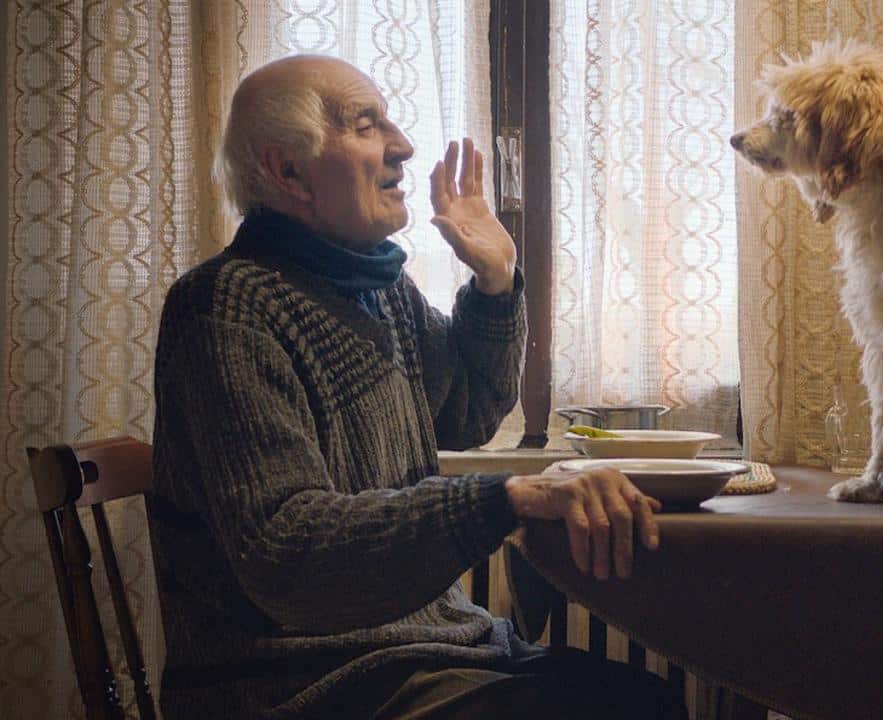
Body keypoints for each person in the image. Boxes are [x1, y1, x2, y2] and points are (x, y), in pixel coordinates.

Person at [147, 54, 682, 720]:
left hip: (424, 654)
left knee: (646, 698)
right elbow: (286, 552)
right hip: (303, 685)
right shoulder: (225, 307)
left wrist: (495, 281)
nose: (401, 146)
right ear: (288, 171)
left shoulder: (381, 290)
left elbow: (468, 413)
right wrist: (509, 496)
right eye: (366, 125)